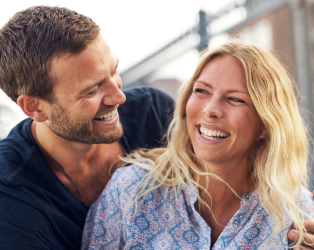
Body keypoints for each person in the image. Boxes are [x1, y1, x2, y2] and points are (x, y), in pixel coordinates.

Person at [82, 41, 314, 249]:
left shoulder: (298, 214)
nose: (210, 109)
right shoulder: (129, 191)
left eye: (235, 99)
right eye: (201, 91)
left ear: (266, 124)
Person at [0, 6, 174, 250]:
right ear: (35, 107)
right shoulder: (10, 195)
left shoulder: (155, 113)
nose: (119, 96)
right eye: (91, 90)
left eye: (114, 72)